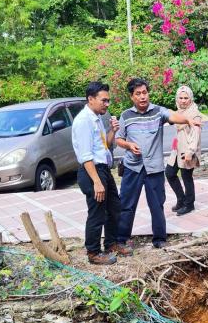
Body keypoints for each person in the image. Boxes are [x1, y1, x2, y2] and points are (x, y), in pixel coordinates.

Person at [115, 78, 201, 249]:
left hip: (154, 168)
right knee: (126, 204)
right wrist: (129, 145)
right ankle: (121, 239)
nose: (142, 97)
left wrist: (188, 120)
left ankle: (159, 239)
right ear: (132, 97)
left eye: (145, 93)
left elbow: (173, 116)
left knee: (157, 205)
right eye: (138, 94)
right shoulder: (126, 115)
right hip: (132, 167)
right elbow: (119, 139)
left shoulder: (157, 112)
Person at [72, 81, 132, 265]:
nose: (107, 104)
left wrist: (112, 131)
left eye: (108, 101)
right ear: (91, 99)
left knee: (114, 207)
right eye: (103, 100)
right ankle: (93, 252)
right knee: (97, 214)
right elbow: (85, 155)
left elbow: (104, 145)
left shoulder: (96, 118)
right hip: (92, 172)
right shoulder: (83, 121)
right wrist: (96, 182)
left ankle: (111, 243)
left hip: (103, 170)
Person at [166, 85, 202, 216]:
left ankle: (189, 204)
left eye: (186, 98)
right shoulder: (179, 112)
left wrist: (190, 152)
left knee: (187, 177)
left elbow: (196, 134)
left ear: (190, 98)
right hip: (177, 149)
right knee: (169, 173)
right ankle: (181, 199)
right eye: (180, 98)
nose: (183, 100)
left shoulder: (194, 114)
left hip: (187, 150)